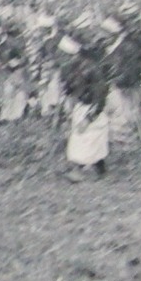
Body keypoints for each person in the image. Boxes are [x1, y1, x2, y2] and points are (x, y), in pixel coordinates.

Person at [61, 35, 110, 181]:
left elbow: (101, 94)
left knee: (85, 138)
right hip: (80, 106)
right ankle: (96, 169)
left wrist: (89, 117)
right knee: (86, 141)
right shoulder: (73, 68)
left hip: (91, 108)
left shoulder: (91, 69)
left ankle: (81, 170)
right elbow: (70, 89)